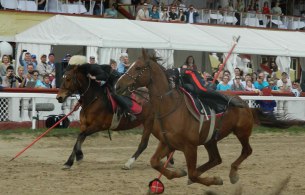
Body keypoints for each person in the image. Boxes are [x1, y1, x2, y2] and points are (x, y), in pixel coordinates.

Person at [167, 67, 245, 113]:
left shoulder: (168, 72)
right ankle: (217, 106)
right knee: (198, 94)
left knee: (201, 90)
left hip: (188, 73)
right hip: (184, 79)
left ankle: (230, 101)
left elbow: (173, 79)